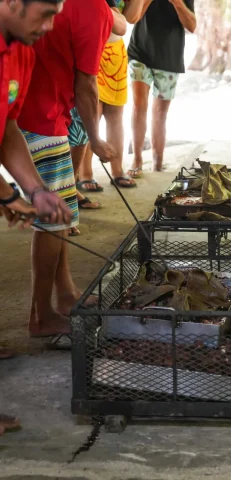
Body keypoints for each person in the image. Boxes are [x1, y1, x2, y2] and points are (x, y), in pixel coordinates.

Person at [17, 0, 117, 342]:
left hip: (33, 109)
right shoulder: (94, 8)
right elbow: (87, 82)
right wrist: (95, 139)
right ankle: (41, 315)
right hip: (41, 116)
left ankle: (66, 295)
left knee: (61, 215)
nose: (47, 24)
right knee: (52, 221)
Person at [0, 0, 73, 437]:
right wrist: (6, 194)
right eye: (44, 13)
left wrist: (36, 190)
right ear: (10, 2)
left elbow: (6, 129)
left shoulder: (23, 51)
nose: (49, 26)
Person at [77, 0, 145, 193]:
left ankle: (117, 170)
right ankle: (85, 174)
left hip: (116, 51)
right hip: (93, 49)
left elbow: (130, 19)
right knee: (93, 113)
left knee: (115, 115)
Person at [126, 0, 196, 177]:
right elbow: (132, 18)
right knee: (139, 105)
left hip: (169, 56)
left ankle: (157, 162)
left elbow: (192, 26)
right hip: (139, 52)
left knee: (160, 113)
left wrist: (178, 4)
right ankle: (137, 159)